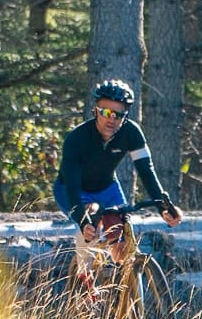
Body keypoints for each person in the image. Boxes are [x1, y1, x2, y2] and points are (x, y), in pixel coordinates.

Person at [53, 80, 184, 262]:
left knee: (120, 233)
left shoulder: (131, 133)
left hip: (107, 187)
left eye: (118, 115)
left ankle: (123, 282)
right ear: (95, 111)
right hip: (71, 188)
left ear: (125, 115)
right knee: (91, 229)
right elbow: (72, 186)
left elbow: (146, 171)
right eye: (105, 112)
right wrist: (82, 220)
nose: (111, 119)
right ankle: (84, 281)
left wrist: (163, 206)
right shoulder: (77, 138)